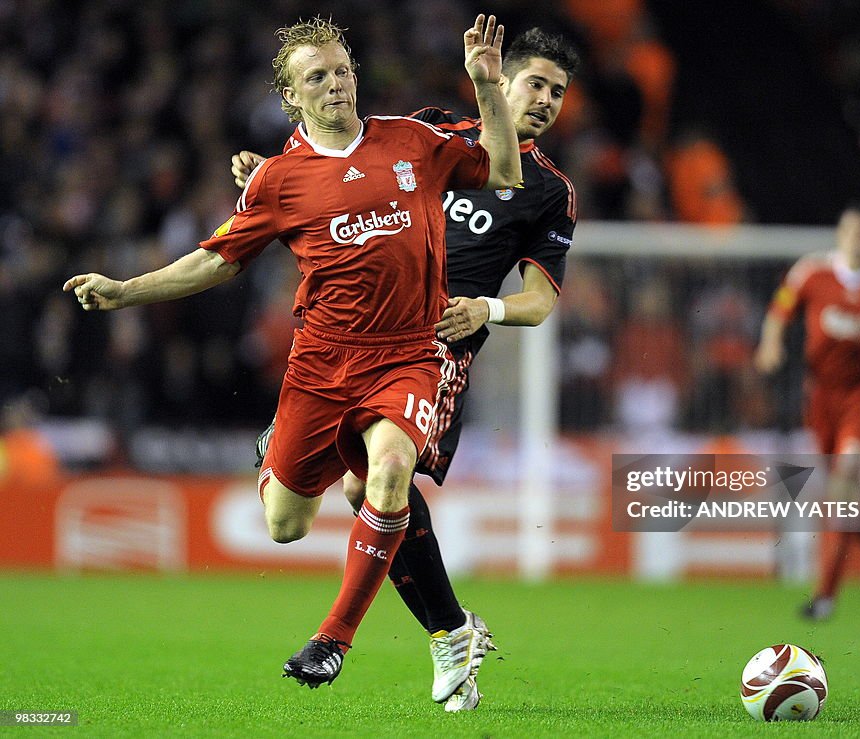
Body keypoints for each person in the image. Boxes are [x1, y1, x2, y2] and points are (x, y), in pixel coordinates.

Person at [64, 14, 521, 691]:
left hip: (406, 354)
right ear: (292, 97)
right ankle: (286, 442)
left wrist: (487, 88)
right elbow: (218, 261)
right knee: (284, 524)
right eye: (317, 77)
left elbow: (504, 169)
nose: (335, 84)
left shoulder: (414, 143)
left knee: (390, 471)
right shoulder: (279, 180)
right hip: (320, 364)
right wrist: (127, 290)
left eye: (341, 70)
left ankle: (332, 640)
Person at [233, 27, 579, 710]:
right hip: (352, 334)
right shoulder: (425, 132)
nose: (546, 101)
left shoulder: (549, 191)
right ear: (499, 81)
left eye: (559, 93)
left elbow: (538, 301)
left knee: (375, 483)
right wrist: (270, 170)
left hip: (437, 343)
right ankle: (452, 629)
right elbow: (336, 165)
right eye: (536, 84)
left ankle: (394, 633)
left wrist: (487, 308)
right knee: (337, 501)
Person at [754, 205, 860, 620]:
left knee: (845, 484)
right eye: (852, 232)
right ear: (840, 235)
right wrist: (770, 344)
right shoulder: (811, 273)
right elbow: (780, 312)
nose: (858, 240)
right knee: (844, 500)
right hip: (822, 396)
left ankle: (825, 597)